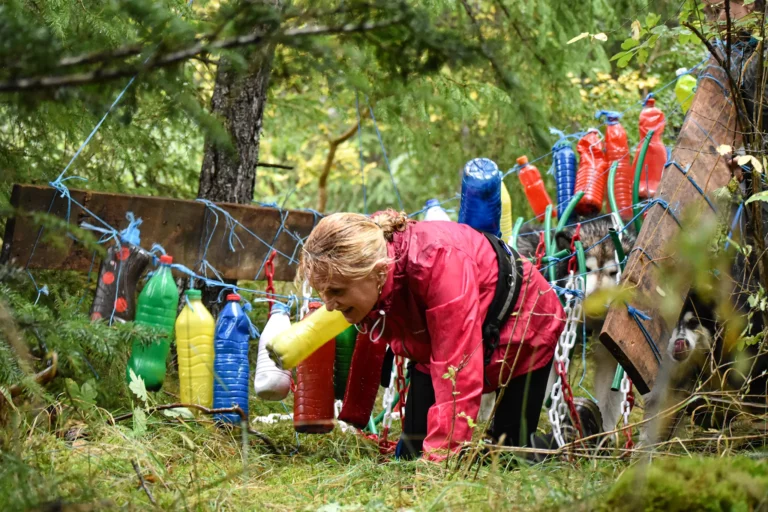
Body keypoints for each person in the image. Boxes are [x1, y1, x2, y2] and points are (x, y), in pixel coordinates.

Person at [298, 209, 566, 460]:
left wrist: (438, 466)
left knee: (510, 455)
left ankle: (564, 439)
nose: (329, 305)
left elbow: (458, 374)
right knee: (411, 453)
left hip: (526, 329)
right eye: (323, 292)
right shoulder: (367, 245)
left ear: (377, 272)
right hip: (435, 344)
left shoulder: (437, 262)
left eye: (336, 291)